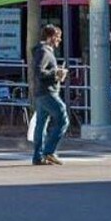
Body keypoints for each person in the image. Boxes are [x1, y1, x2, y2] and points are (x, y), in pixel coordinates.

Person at [30, 24, 69, 166]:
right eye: (58, 37)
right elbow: (39, 72)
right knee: (63, 118)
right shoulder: (45, 51)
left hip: (41, 92)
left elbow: (39, 71)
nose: (59, 40)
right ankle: (49, 152)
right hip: (48, 92)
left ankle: (38, 156)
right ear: (51, 37)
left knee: (41, 124)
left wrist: (55, 72)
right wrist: (56, 73)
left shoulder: (42, 51)